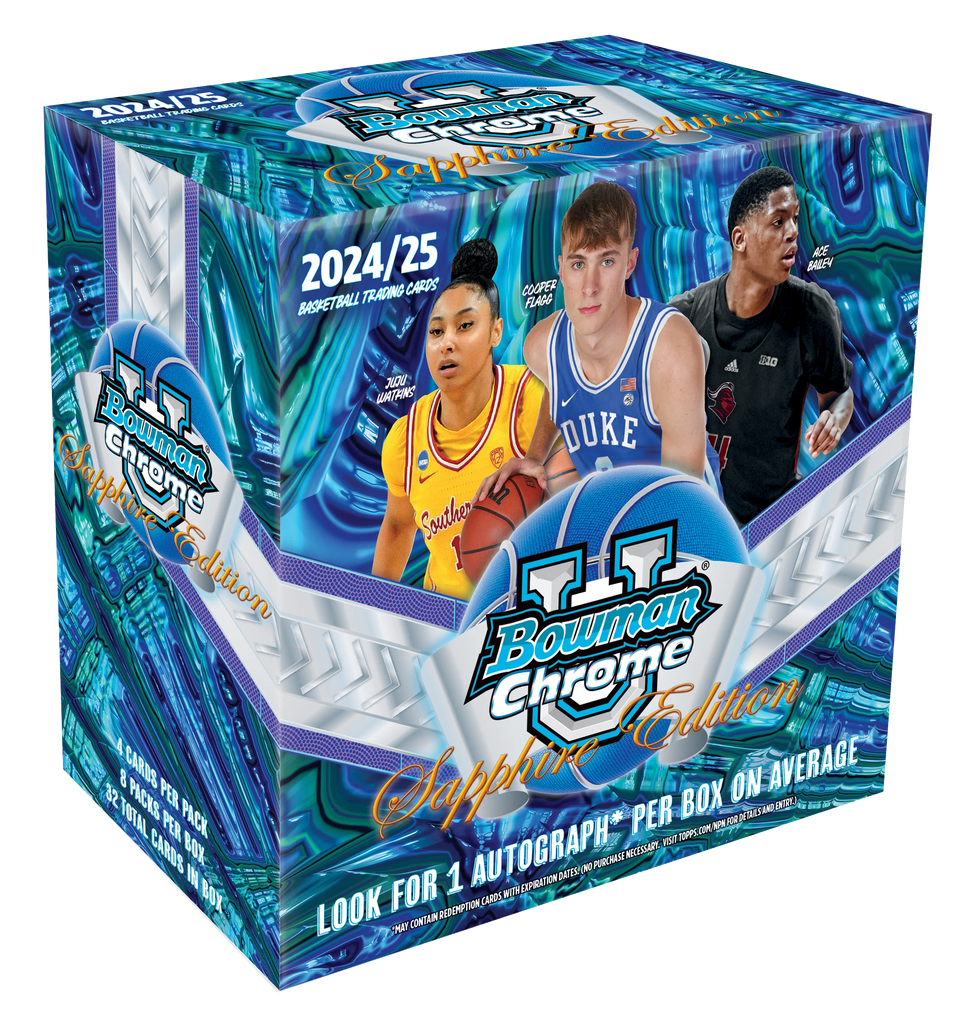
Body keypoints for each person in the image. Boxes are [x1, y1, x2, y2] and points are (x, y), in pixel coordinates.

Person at [478, 181, 722, 501]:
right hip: (614, 516)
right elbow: (559, 387)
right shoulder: (541, 347)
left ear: (629, 264)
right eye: (578, 264)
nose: (589, 286)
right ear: (561, 269)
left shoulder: (667, 348)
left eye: (607, 261)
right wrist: (535, 455)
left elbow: (684, 498)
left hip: (691, 518)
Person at [669, 166, 854, 524]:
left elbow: (838, 393)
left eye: (795, 219)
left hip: (774, 522)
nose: (793, 232)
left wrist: (835, 418)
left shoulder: (812, 311)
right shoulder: (682, 318)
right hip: (697, 520)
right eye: (778, 221)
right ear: (740, 239)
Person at [373, 239, 545, 600]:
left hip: (522, 612)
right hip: (441, 618)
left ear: (496, 331)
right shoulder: (406, 440)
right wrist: (375, 609)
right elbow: (398, 526)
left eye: (465, 325)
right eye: (436, 331)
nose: (446, 343)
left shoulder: (532, 402)